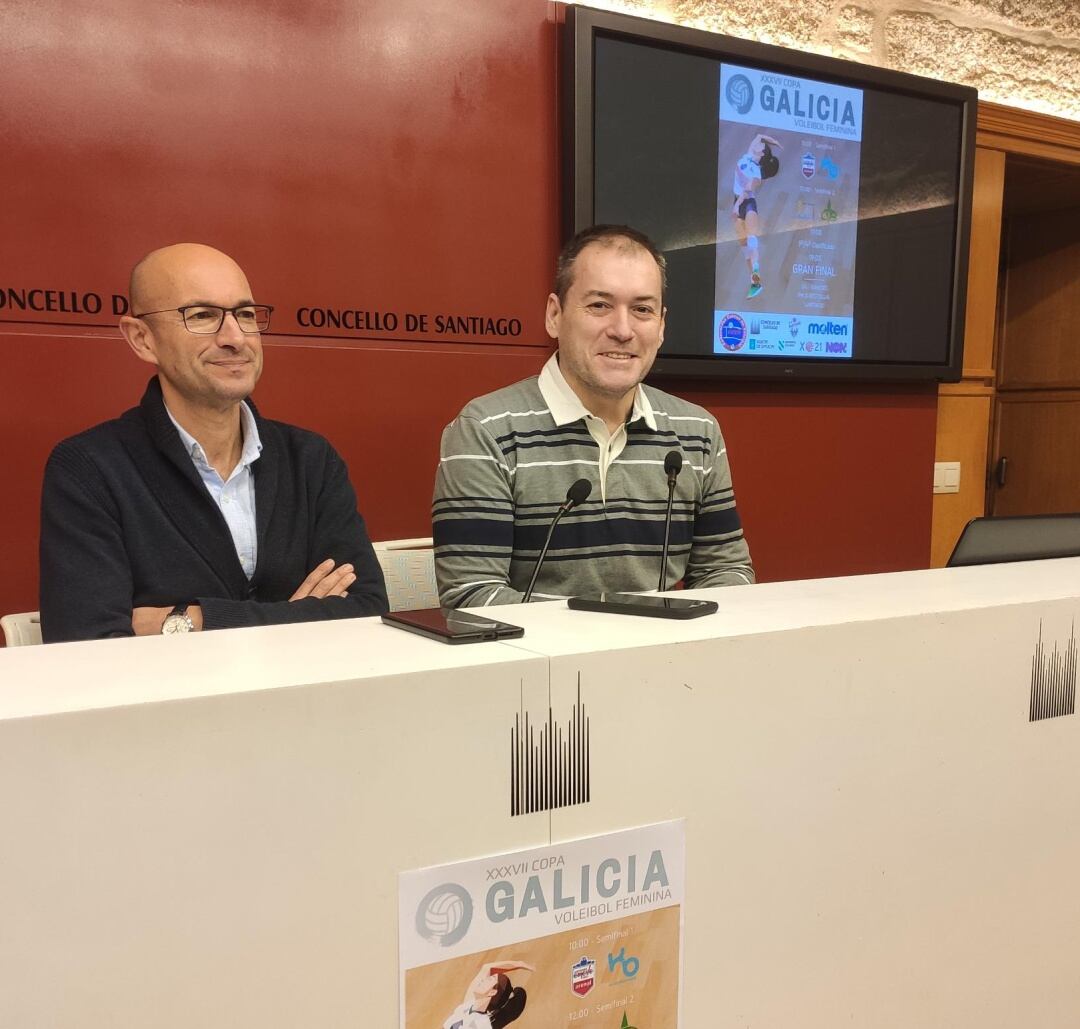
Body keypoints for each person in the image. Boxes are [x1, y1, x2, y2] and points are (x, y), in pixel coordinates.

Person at [39, 243, 387, 642]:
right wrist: (297, 615)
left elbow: (367, 609)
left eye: (245, 314)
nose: (235, 337)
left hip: (309, 702)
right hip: (166, 704)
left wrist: (189, 620)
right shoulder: (90, 468)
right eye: (202, 316)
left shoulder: (310, 459)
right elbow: (85, 642)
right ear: (142, 339)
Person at [432, 224, 753, 607]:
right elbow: (472, 595)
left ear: (662, 325)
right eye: (599, 305)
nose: (622, 329)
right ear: (555, 315)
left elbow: (727, 571)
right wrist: (609, 646)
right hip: (541, 665)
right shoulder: (485, 430)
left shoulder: (698, 432)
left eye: (642, 310)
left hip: (664, 656)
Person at [731, 133, 782, 298]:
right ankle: (754, 282)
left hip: (747, 203)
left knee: (752, 241)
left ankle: (757, 280)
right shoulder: (748, 154)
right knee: (745, 247)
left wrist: (737, 205)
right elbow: (760, 136)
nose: (758, 144)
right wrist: (776, 143)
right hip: (736, 201)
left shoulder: (756, 175)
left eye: (761, 147)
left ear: (762, 155)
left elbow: (746, 190)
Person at [443, 961, 532, 1029]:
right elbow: (488, 968)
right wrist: (519, 963)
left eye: (489, 980)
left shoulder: (481, 1023)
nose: (483, 980)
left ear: (492, 992)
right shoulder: (470, 1002)